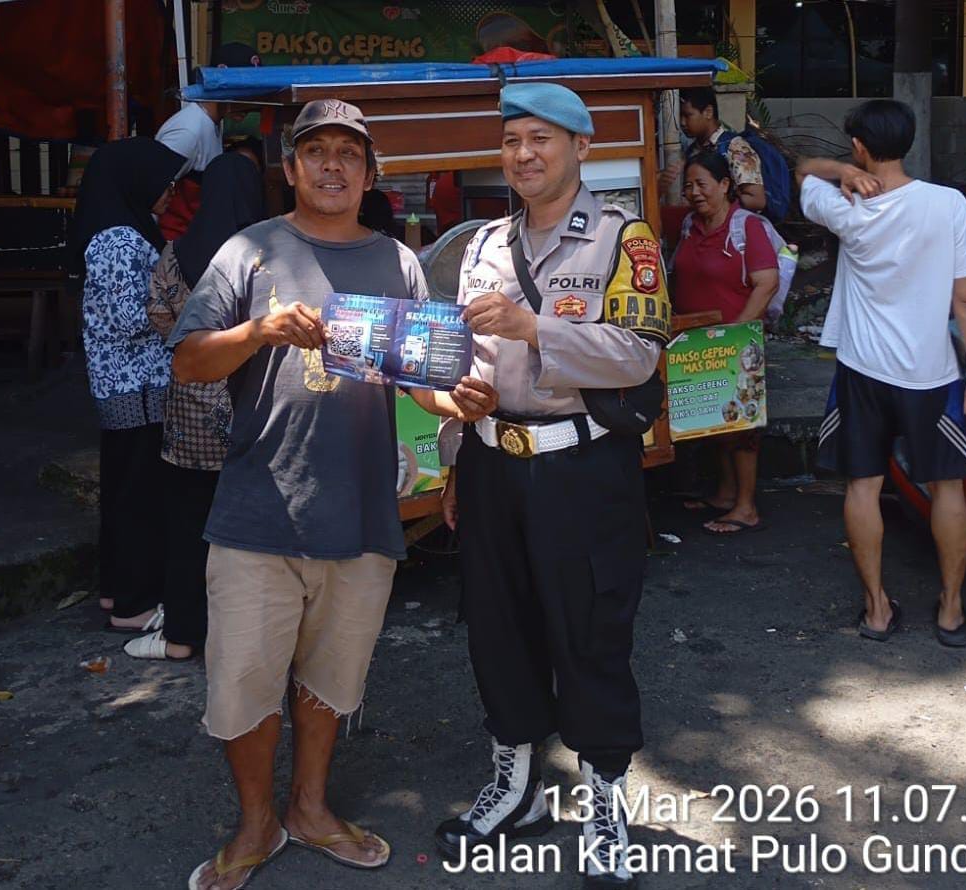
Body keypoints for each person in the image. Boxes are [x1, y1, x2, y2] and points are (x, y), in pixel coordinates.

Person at [169, 99, 496, 890]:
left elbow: (422, 382)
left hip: (359, 510)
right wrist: (257, 333)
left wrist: (460, 402)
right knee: (243, 681)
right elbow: (187, 362)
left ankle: (310, 808)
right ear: (290, 168)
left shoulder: (398, 262)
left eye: (349, 154)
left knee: (330, 680)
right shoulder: (248, 252)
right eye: (315, 151)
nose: (332, 166)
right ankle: (256, 824)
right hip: (259, 506)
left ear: (368, 173)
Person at [429, 83, 670, 889]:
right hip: (493, 462)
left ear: (577, 145)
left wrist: (537, 327)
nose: (522, 154)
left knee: (589, 629)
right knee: (496, 627)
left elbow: (638, 354)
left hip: (580, 467)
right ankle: (518, 786)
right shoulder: (484, 244)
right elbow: (467, 364)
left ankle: (604, 797)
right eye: (510, 141)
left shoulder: (619, 238)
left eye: (539, 138)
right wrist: (454, 451)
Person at [798, 99, 966, 648]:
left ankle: (877, 610)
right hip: (930, 372)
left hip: (862, 370)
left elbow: (802, 170)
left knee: (863, 484)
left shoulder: (843, 205)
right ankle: (952, 612)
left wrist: (842, 172)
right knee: (946, 485)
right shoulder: (948, 203)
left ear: (859, 147)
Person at [129, 150, 266, 662]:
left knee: (190, 527)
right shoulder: (268, 253)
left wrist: (192, 345)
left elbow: (158, 311)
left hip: (190, 409)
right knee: (253, 535)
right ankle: (249, 640)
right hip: (253, 405)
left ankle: (185, 634)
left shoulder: (178, 250)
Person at [71, 137, 185, 631]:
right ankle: (135, 604)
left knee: (125, 490)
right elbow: (129, 317)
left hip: (126, 387)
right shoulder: (118, 239)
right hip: (136, 388)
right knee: (139, 495)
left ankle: (117, 590)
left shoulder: (116, 230)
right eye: (164, 186)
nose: (170, 195)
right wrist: (182, 310)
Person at [670, 151, 778, 534]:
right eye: (688, 185)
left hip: (736, 342)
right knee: (717, 420)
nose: (694, 193)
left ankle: (746, 507)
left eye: (702, 184)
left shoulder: (746, 227)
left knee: (742, 428)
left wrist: (737, 335)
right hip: (699, 343)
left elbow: (767, 282)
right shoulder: (689, 226)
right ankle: (726, 493)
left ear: (725, 185)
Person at [156, 42, 261, 241]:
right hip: (173, 247)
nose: (251, 98)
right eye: (245, 88)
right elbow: (150, 195)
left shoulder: (214, 123)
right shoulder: (188, 131)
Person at [660, 87, 766, 215]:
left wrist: (716, 201)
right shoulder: (691, 151)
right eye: (680, 116)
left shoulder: (736, 148)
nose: (682, 122)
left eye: (688, 115)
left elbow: (757, 200)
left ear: (708, 112)